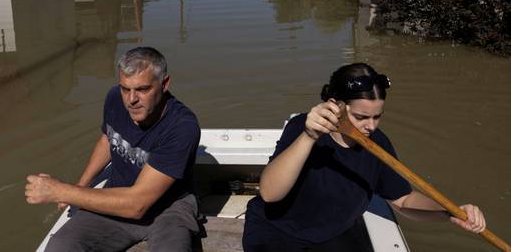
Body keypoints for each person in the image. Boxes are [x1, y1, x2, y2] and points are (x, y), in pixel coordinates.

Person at [242, 63, 487, 252]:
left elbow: (403, 200)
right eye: (361, 117)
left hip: (331, 235)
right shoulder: (302, 127)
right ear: (335, 105)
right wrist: (309, 136)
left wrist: (448, 211)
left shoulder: (378, 144)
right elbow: (270, 194)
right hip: (277, 232)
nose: (370, 126)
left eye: (377, 116)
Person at [25, 47, 201, 252]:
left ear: (164, 84)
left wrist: (60, 191)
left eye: (143, 89)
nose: (131, 100)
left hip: (168, 209)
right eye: (126, 89)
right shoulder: (115, 98)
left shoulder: (182, 126)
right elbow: (108, 139)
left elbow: (137, 204)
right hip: (116, 196)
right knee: (60, 246)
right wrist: (82, 184)